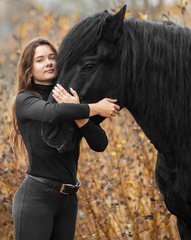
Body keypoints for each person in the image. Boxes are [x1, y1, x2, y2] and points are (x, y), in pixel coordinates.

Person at [10, 37, 119, 240]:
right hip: (36, 198)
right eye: (40, 60)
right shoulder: (25, 100)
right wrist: (96, 108)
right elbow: (52, 113)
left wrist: (80, 114)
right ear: (29, 69)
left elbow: (100, 144)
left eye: (52, 57)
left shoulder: (72, 100)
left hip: (68, 200)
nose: (49, 62)